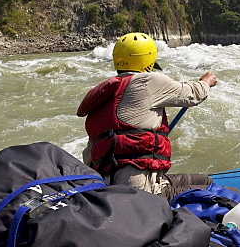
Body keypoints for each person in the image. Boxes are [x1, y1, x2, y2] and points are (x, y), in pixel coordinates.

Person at [77, 31, 218, 200]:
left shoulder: (108, 92)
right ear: (149, 59)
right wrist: (206, 81)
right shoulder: (148, 81)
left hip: (108, 186)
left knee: (205, 180)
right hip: (141, 192)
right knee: (218, 193)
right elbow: (193, 94)